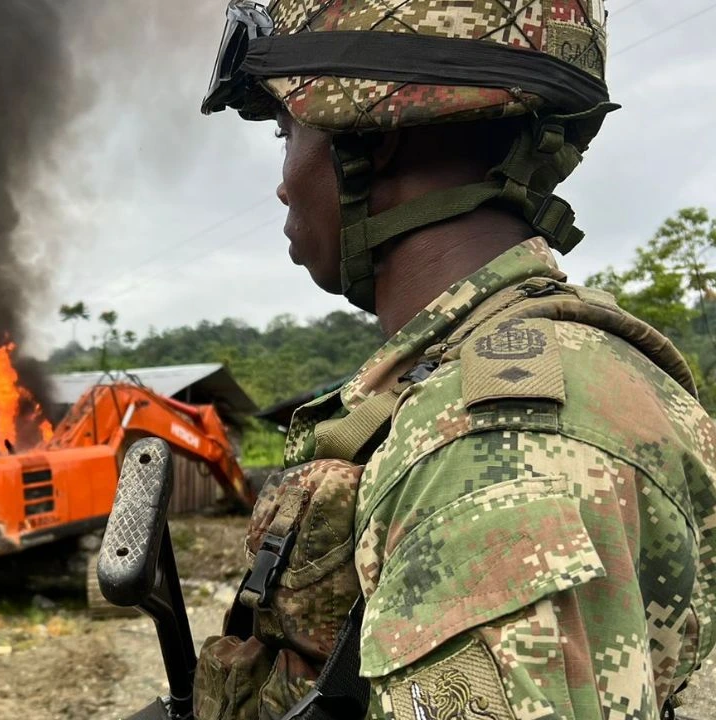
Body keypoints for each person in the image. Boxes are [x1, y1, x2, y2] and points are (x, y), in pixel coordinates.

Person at [192, 1, 716, 719]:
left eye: (288, 130)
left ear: (373, 138)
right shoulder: (537, 368)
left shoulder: (498, 452)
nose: (284, 182)